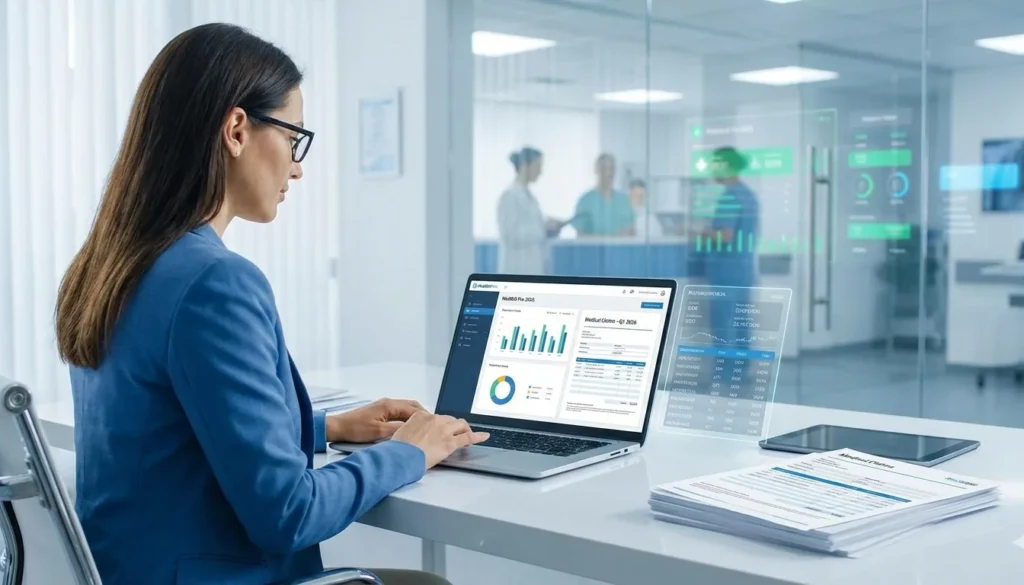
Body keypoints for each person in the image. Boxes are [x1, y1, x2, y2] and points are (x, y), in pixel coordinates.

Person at [53, 24, 487, 585]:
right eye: (293, 137)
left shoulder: (106, 268)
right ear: (236, 129)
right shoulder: (214, 282)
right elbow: (290, 513)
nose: (298, 166)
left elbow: (172, 435)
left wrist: (326, 427)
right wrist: (410, 451)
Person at [702, 146, 760, 349]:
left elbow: (725, 235)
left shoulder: (729, 196)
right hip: (743, 270)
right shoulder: (749, 195)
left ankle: (724, 377)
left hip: (726, 272)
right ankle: (740, 374)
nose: (711, 170)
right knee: (740, 326)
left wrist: (697, 232)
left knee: (723, 326)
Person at [497, 147, 564, 274]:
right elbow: (510, 234)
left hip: (532, 268)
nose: (540, 172)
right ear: (524, 166)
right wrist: (542, 229)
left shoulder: (529, 196)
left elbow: (529, 224)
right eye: (538, 166)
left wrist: (547, 226)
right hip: (516, 269)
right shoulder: (510, 196)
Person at [571, 153, 635, 237]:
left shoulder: (624, 201)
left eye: (612, 168)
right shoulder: (585, 201)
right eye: (604, 168)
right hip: (594, 249)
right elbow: (580, 235)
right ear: (596, 170)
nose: (609, 173)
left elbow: (633, 229)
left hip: (621, 249)